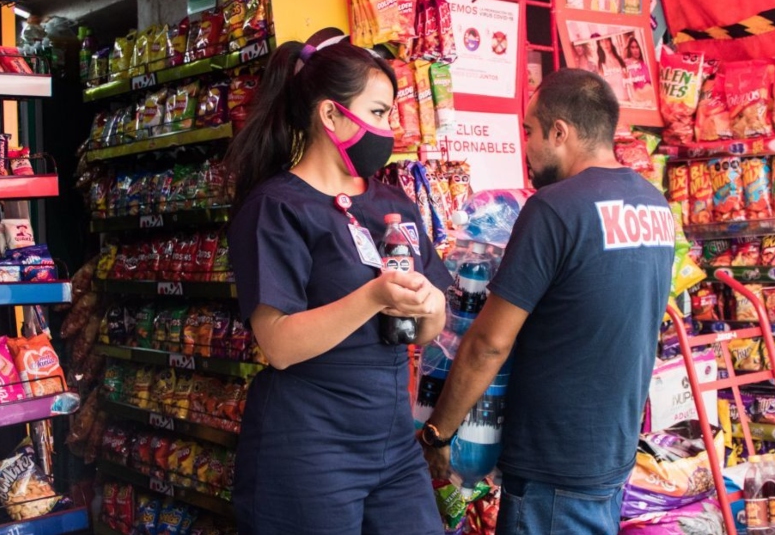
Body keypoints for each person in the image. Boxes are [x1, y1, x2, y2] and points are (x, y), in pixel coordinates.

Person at [418, 69, 675, 534]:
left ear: (560, 132)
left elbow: (489, 344)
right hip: (611, 453)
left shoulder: (554, 208)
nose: (527, 147)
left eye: (530, 132)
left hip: (553, 463)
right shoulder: (655, 204)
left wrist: (438, 433)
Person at [224, 29, 451, 534]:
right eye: (376, 112)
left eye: (389, 113)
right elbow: (278, 344)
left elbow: (431, 324)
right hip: (307, 450)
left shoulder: (395, 204)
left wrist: (431, 305)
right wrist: (372, 297)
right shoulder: (276, 208)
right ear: (330, 115)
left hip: (393, 444)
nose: (387, 128)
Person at [595, 35, 630, 104]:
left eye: (607, 40)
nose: (605, 44)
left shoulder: (619, 60)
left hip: (627, 100)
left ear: (610, 41)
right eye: (602, 41)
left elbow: (627, 79)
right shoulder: (600, 65)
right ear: (599, 44)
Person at [623, 36, 656, 109]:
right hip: (637, 100)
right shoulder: (626, 63)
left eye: (637, 47)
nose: (635, 50)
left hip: (649, 99)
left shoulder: (643, 64)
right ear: (629, 49)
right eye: (632, 47)